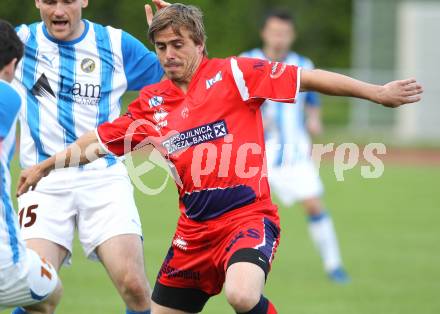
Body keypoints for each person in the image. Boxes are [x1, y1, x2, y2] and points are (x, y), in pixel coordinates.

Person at [17, 3, 423, 314]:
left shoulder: (234, 74)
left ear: (200, 44)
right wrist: (45, 165)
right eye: (161, 47)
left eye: (179, 44)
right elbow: (99, 142)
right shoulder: (151, 104)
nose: (169, 54)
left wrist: (376, 92)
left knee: (242, 294)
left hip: (247, 218)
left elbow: (307, 79)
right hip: (192, 234)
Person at [12, 0, 168, 313]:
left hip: (103, 176)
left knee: (135, 286)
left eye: (68, 1)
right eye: (50, 1)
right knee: (35, 295)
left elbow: (178, 73)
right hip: (42, 182)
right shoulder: (20, 42)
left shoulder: (115, 44)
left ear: (83, 0)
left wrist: (173, 28)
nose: (58, 11)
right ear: (37, 2)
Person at [241, 10, 349, 282]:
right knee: (241, 211)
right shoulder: (246, 61)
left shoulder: (302, 64)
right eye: (275, 32)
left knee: (314, 204)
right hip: (253, 156)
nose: (279, 39)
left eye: (285, 33)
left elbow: (312, 102)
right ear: (264, 33)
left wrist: (314, 120)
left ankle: (334, 265)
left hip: (294, 153)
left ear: (292, 36)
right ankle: (236, 266)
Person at [0, 19, 62, 314]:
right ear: (12, 64)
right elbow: (39, 93)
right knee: (50, 293)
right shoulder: (8, 94)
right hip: (4, 261)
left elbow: (41, 92)